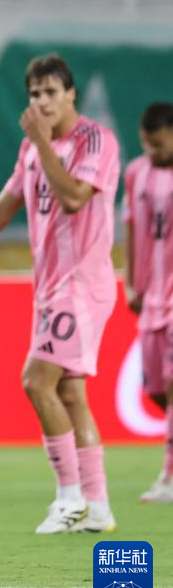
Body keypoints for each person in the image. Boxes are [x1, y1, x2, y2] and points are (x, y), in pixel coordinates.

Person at [0, 54, 120, 534]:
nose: (42, 102)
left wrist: (43, 142)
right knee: (69, 392)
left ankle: (69, 498)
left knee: (36, 381)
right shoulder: (32, 150)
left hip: (81, 285)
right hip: (50, 288)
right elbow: (0, 209)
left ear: (71, 94)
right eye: (35, 94)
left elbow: (74, 197)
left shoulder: (95, 141)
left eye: (51, 92)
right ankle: (98, 508)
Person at [123, 102, 173, 503]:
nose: (151, 151)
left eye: (158, 144)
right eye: (146, 144)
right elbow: (131, 228)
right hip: (151, 296)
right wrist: (131, 283)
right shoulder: (136, 172)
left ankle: (169, 477)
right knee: (156, 389)